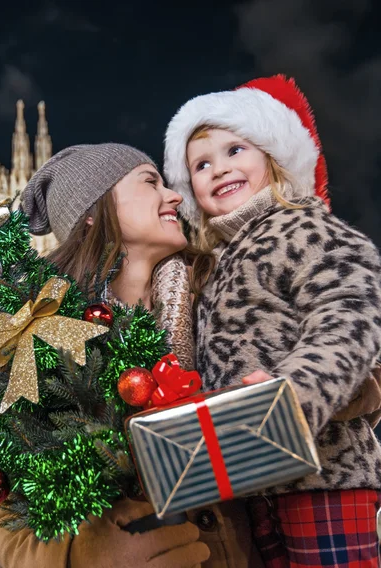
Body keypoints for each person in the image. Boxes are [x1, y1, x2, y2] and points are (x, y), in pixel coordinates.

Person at [0, 142, 264, 568]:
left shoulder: (226, 291)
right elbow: (8, 516)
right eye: (151, 182)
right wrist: (82, 555)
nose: (175, 196)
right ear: (93, 212)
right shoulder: (31, 341)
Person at [164, 74, 381, 567]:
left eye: (235, 150)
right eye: (201, 163)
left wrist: (294, 396)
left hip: (324, 478)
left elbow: (349, 316)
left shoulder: (304, 226)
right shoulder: (214, 262)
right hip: (248, 482)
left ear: (275, 159)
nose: (219, 169)